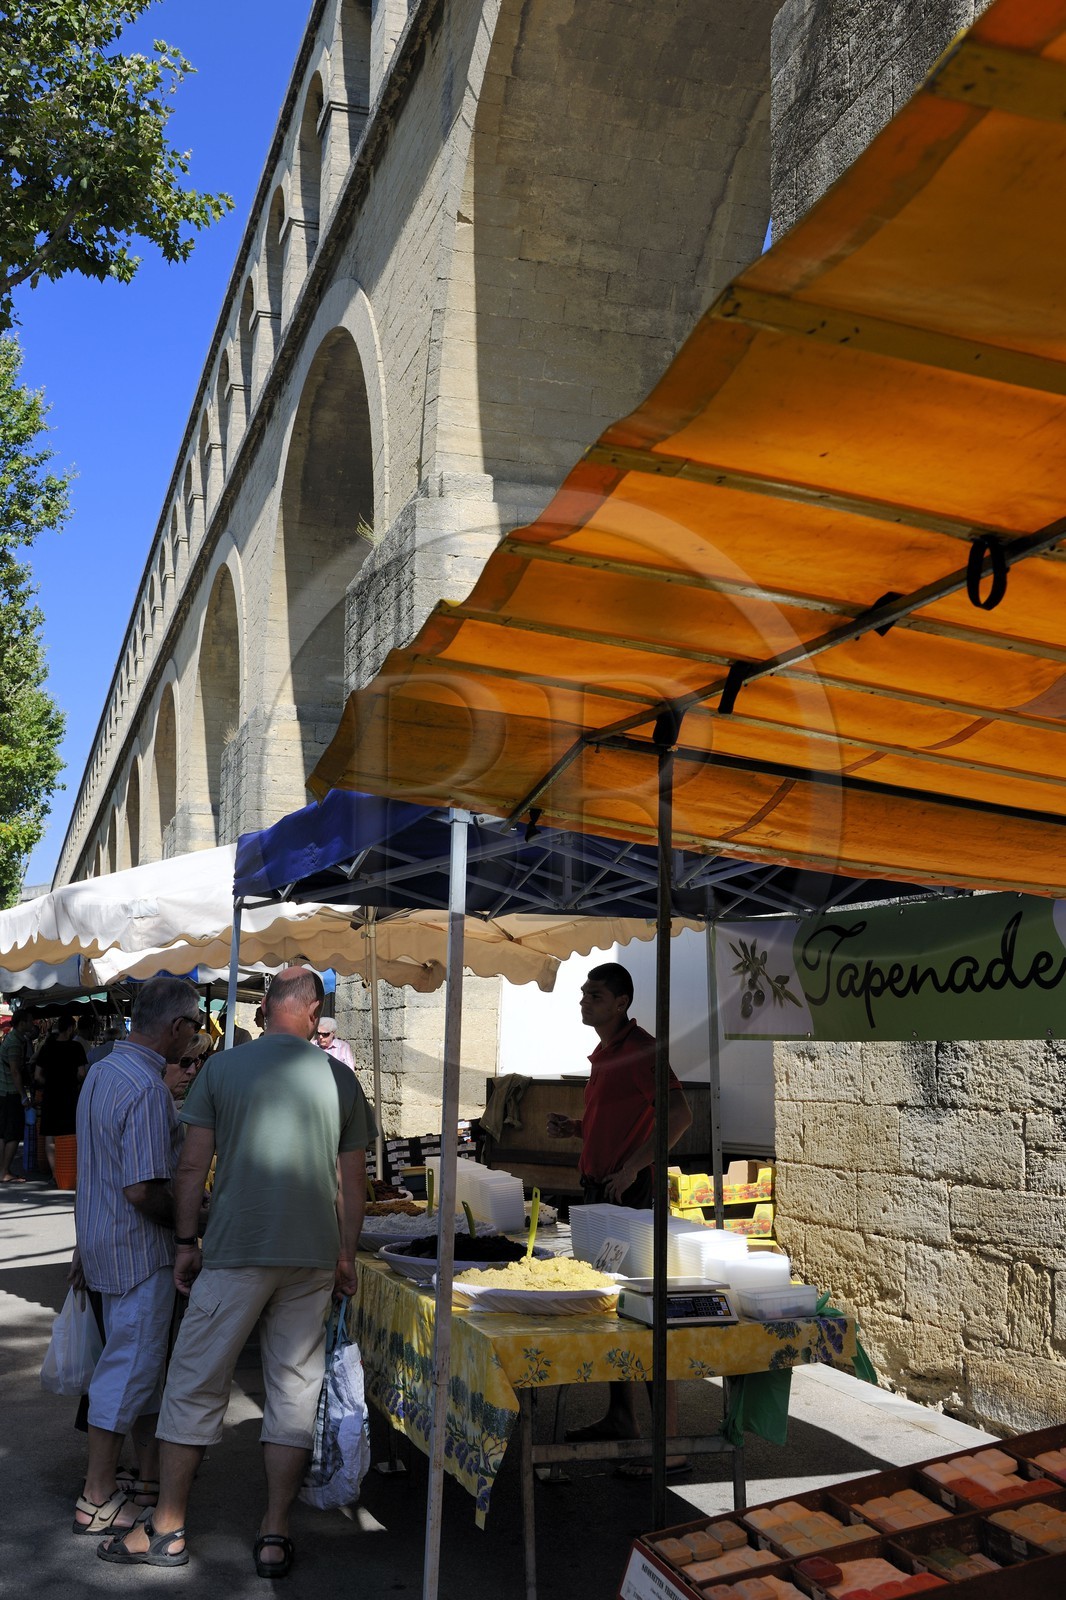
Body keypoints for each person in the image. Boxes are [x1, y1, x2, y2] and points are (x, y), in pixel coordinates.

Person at [99, 966, 375, 1575]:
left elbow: (191, 1169)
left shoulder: (222, 1068)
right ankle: (274, 1533)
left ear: (268, 1008)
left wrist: (186, 1241)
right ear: (311, 1013)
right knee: (294, 1391)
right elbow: (350, 1184)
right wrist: (346, 1254)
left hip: (235, 1249)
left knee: (194, 1384)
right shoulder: (339, 1079)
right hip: (309, 1257)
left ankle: (168, 1528)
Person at [68, 976, 204, 1536]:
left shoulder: (102, 1070)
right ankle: (96, 1495)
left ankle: (131, 1479)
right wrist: (187, 1232)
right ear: (175, 1027)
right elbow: (142, 1188)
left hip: (103, 1242)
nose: (195, 1041)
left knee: (131, 1368)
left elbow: (99, 1170)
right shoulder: (147, 1088)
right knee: (127, 1371)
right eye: (194, 1028)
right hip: (134, 1250)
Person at [546, 961, 692, 1469]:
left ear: (622, 1002)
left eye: (596, 995)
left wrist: (632, 1168)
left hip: (631, 1193)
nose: (585, 1001)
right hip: (602, 1190)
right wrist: (577, 1129)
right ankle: (621, 1417)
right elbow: (618, 1121)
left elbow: (679, 1114)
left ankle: (669, 1444)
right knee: (613, 1311)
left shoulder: (641, 1050)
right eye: (584, 993)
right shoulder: (606, 1054)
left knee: (645, 1313)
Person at [35, 1012, 87, 1183]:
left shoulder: (47, 1047)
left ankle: (55, 1174)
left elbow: (37, 1076)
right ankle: (70, 1172)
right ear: (71, 1028)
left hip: (50, 1095)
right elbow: (81, 1074)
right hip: (70, 1095)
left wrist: (50, 1082)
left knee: (50, 1135)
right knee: (71, 1134)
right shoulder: (76, 1048)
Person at [0, 1010, 36, 1183]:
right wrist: (23, 1096)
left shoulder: (13, 1039)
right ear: (22, 1023)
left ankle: (2, 1170)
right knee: (12, 1134)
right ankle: (5, 1171)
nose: (32, 1024)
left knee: (3, 1133)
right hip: (11, 1093)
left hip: (4, 1092)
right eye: (30, 1021)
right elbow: (15, 1071)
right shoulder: (14, 1042)